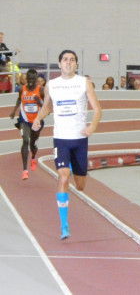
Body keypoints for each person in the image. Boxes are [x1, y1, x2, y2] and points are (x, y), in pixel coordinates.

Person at [32, 49, 102, 240]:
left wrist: (91, 127)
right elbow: (48, 106)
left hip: (79, 139)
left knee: (80, 186)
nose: (68, 63)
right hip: (61, 139)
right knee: (63, 178)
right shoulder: (51, 85)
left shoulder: (83, 82)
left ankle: (71, 167)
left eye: (72, 60)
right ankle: (64, 226)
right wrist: (38, 117)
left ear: (76, 64)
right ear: (59, 63)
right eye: (65, 59)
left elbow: (97, 109)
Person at [10, 69, 45, 180]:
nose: (30, 81)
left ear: (36, 79)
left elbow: (46, 107)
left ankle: (33, 157)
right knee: (25, 140)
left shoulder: (41, 90)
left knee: (32, 144)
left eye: (32, 79)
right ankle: (25, 170)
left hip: (36, 121)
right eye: (28, 78)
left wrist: (38, 102)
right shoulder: (22, 89)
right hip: (24, 121)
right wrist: (14, 110)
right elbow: (19, 100)